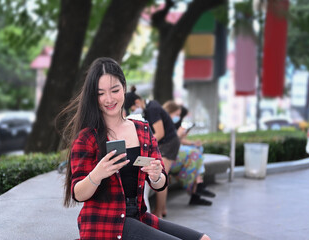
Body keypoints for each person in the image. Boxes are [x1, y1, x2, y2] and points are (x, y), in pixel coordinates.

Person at [59, 57, 211, 240]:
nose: (109, 99)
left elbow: (161, 181)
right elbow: (78, 194)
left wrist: (155, 176)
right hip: (104, 222)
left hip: (138, 215)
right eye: (101, 93)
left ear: (124, 87)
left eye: (114, 90)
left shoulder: (142, 130)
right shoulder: (87, 137)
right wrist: (97, 174)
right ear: (94, 96)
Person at [124, 87, 181, 219]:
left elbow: (159, 133)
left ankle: (159, 211)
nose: (133, 111)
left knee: (161, 175)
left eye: (132, 109)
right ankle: (162, 209)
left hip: (169, 144)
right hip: (167, 143)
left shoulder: (153, 108)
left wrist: (143, 143)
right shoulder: (149, 108)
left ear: (137, 102)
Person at [163, 101, 216, 201]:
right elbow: (168, 144)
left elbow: (177, 141)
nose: (178, 117)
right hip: (168, 157)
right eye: (177, 114)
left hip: (173, 154)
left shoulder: (169, 123)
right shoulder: (163, 124)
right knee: (195, 154)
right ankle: (197, 187)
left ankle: (198, 187)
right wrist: (178, 136)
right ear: (169, 111)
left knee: (197, 150)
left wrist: (192, 142)